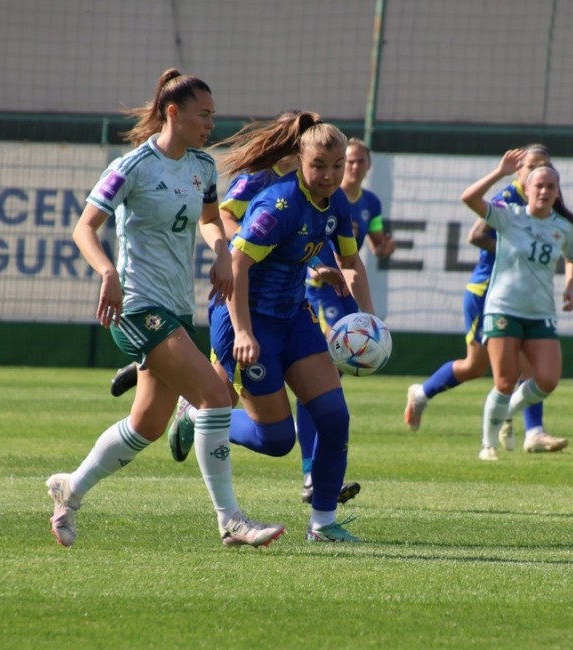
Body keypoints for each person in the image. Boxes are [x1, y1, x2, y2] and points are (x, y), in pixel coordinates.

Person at [46, 68, 285, 548]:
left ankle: (70, 488)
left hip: (175, 308)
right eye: (204, 114)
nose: (211, 124)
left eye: (213, 115)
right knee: (215, 396)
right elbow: (84, 228)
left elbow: (210, 220)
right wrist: (107, 273)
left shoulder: (201, 167)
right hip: (137, 306)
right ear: (173, 112)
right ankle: (230, 520)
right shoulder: (132, 166)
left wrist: (221, 251)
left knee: (147, 425)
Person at [172, 111, 375, 542]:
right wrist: (244, 333)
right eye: (319, 165)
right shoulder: (278, 204)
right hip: (247, 316)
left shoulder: (337, 202)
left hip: (294, 315)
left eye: (337, 166)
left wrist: (367, 320)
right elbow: (237, 267)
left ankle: (323, 525)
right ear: (300, 159)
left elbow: (351, 260)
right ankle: (198, 410)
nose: (329, 175)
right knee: (277, 439)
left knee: (334, 417)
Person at [404, 144, 570, 453]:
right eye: (532, 165)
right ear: (519, 170)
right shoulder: (507, 198)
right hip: (487, 292)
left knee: (530, 365)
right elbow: (476, 235)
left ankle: (533, 431)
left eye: (544, 166)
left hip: (524, 300)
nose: (538, 171)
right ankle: (422, 393)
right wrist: (516, 249)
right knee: (475, 367)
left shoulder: (547, 201)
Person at [460, 147, 573, 461]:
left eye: (550, 186)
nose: (544, 191)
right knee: (504, 381)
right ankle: (487, 444)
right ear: (526, 188)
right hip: (503, 308)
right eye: (538, 185)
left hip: (540, 312)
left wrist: (570, 288)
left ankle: (507, 414)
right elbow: (469, 198)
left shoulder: (563, 227)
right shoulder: (508, 215)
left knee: (548, 380)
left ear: (557, 192)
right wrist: (500, 172)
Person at [295, 137, 395, 503]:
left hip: (346, 289)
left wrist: (384, 246)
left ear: (367, 166)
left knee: (326, 379)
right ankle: (314, 474)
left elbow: (375, 242)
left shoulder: (370, 203)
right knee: (322, 375)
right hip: (319, 289)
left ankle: (317, 475)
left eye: (357, 162)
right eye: (347, 161)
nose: (351, 167)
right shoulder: (315, 197)